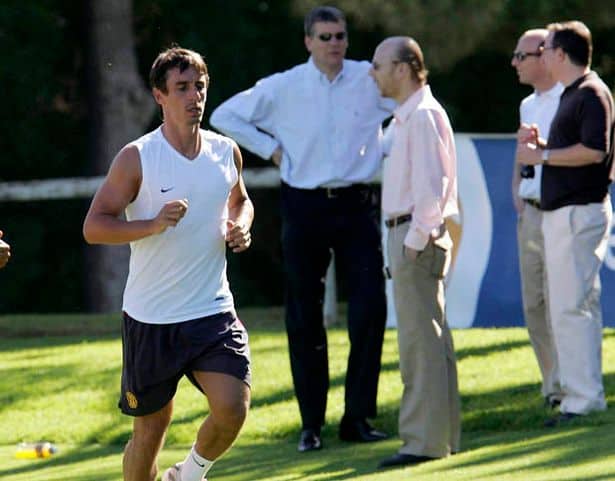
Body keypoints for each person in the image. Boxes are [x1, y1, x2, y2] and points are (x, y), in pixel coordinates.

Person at [210, 6, 390, 452]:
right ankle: (311, 424)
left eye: (341, 36)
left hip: (357, 204)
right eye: (325, 37)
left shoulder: (370, 78)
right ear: (308, 41)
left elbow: (412, 101)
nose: (335, 44)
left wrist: (390, 146)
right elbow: (225, 116)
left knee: (369, 309)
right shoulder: (284, 85)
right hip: (304, 206)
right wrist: (270, 149)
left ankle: (358, 418)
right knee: (304, 317)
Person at [83, 47, 254, 481]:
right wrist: (152, 224)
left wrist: (240, 225)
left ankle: (190, 474)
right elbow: (94, 226)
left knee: (233, 406)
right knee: (151, 430)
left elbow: (241, 200)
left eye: (199, 86)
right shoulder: (137, 157)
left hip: (212, 310)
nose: (194, 96)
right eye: (181, 88)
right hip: (152, 319)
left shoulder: (225, 152)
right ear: (160, 95)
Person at [516, 21, 614, 427]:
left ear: (560, 54)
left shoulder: (590, 93)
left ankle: (583, 399)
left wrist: (544, 157)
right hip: (567, 213)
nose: (542, 57)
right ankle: (581, 396)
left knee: (571, 309)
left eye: (546, 49)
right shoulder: (579, 94)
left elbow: (594, 151)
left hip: (577, 212)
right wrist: (544, 149)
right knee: (570, 308)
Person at [369, 36, 461, 468]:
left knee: (419, 345)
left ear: (403, 68)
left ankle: (423, 442)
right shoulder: (409, 116)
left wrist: (412, 243)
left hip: (414, 235)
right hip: (412, 234)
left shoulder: (421, 116)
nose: (373, 73)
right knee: (432, 342)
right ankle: (441, 437)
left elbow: (432, 187)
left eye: (379, 65)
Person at [511, 29, 564, 409]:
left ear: (545, 55)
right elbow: (523, 154)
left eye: (521, 55)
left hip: (562, 211)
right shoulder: (527, 105)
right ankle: (552, 386)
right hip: (531, 212)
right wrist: (517, 190)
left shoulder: (573, 98)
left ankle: (570, 386)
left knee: (565, 302)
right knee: (534, 304)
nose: (515, 62)